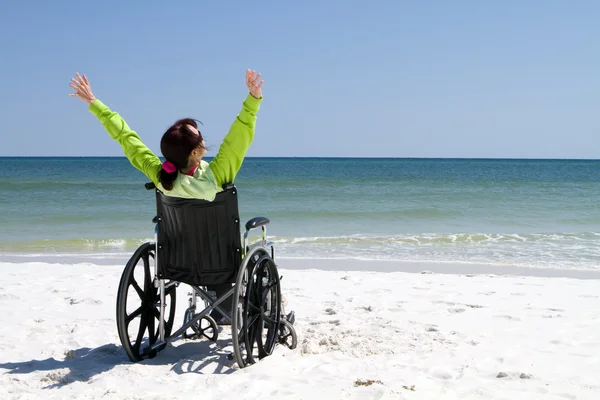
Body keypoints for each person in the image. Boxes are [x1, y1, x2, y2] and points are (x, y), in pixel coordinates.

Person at [68, 69, 278, 325]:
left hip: (179, 264)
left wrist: (95, 103)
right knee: (261, 248)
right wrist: (253, 100)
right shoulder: (218, 176)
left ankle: (218, 305)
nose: (203, 137)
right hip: (223, 263)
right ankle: (241, 306)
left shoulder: (160, 177)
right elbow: (240, 135)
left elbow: (126, 138)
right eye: (199, 136)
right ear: (196, 152)